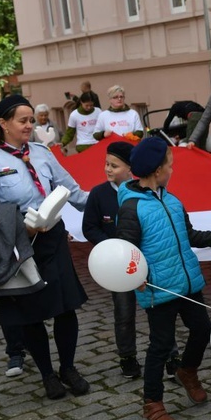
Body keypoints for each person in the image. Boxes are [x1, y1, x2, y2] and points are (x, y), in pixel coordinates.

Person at [116, 137, 211, 420]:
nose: (172, 170)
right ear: (156, 170)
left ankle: (187, 370)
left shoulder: (172, 199)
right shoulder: (132, 208)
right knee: (161, 345)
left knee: (203, 330)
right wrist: (137, 278)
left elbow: (190, 236)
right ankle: (152, 402)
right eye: (170, 165)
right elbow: (126, 253)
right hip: (158, 289)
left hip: (187, 283)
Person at [0, 95, 91, 400]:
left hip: (53, 238)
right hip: (19, 243)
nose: (28, 125)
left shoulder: (41, 153)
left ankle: (68, 368)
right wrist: (22, 226)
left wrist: (111, 196)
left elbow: (72, 191)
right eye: (22, 121)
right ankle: (47, 374)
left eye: (30, 120)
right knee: (31, 311)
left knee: (65, 307)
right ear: (3, 124)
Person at [82, 142, 142, 378]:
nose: (108, 169)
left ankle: (170, 354)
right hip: (117, 268)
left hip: (143, 261)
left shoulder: (141, 191)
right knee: (124, 312)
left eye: (114, 165)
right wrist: (109, 247)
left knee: (158, 310)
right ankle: (127, 357)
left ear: (130, 168)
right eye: (106, 164)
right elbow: (90, 227)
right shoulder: (98, 194)